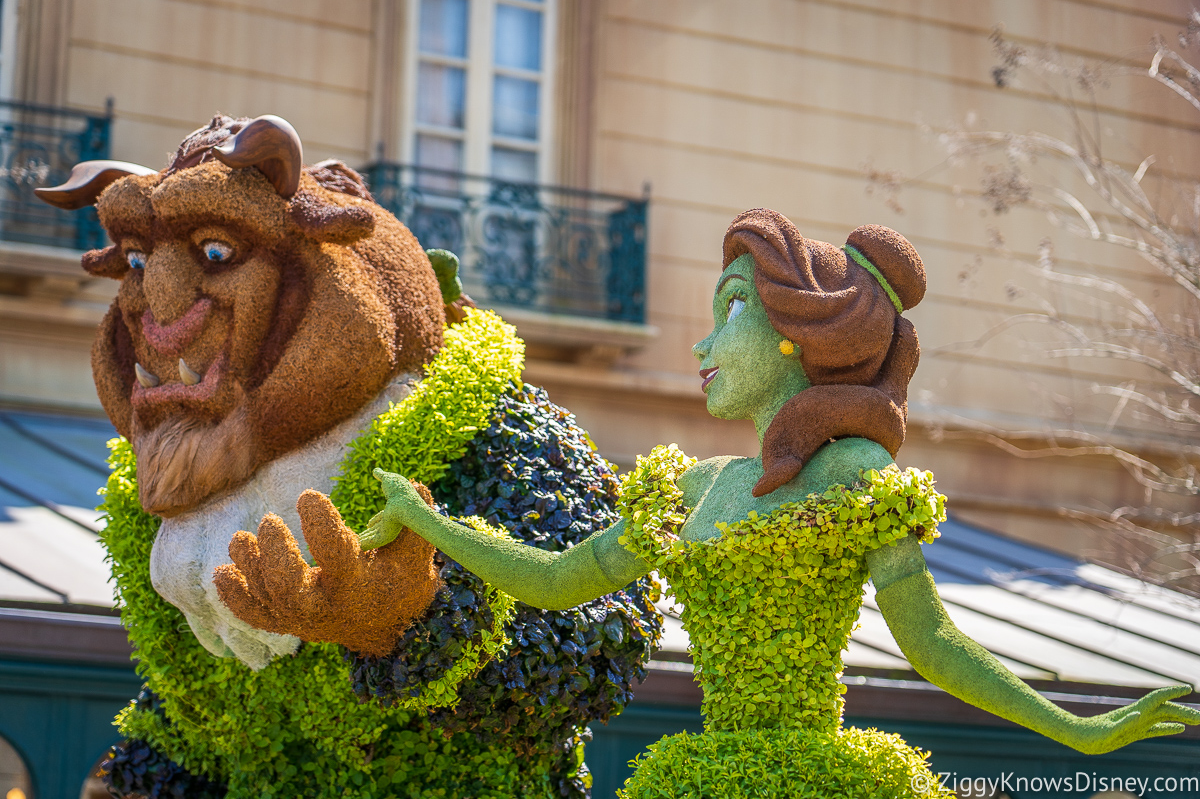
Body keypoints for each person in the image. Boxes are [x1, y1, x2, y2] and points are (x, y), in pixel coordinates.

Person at [260, 209, 1200, 796]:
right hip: (703, 775)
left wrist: (1080, 727)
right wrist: (430, 522)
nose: (703, 343)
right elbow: (556, 580)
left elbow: (935, 646)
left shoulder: (858, 484)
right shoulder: (692, 488)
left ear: (802, 337)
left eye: (731, 309)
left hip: (822, 779)